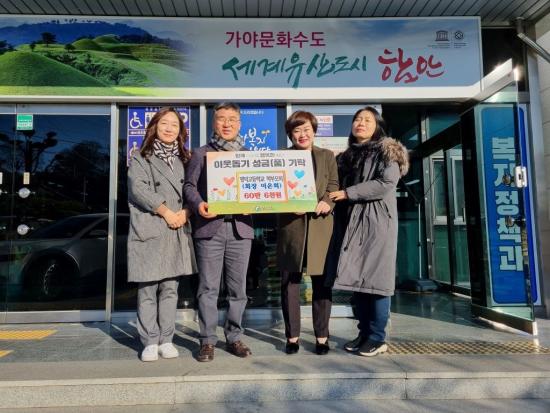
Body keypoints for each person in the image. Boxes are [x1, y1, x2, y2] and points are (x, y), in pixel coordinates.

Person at [328, 106, 409, 357]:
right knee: (359, 282)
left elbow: (386, 183)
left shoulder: (387, 150)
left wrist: (348, 193)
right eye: (357, 119)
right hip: (352, 223)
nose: (360, 123)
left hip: (376, 224)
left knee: (377, 283)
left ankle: (377, 337)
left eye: (367, 120)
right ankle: (364, 333)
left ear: (377, 126)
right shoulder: (347, 156)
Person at [184, 102, 253, 362]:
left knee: (238, 289)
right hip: (209, 228)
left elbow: (258, 189)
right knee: (208, 288)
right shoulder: (201, 153)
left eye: (232, 119)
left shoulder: (249, 155)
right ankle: (207, 340)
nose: (226, 123)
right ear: (214, 123)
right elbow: (189, 186)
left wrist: (256, 203)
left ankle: (234, 337)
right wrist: (199, 204)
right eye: (221, 118)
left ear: (239, 123)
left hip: (240, 229)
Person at [127, 107, 197, 362]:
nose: (169, 128)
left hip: (177, 228)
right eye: (164, 123)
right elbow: (139, 189)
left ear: (181, 131)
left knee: (170, 289)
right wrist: (167, 212)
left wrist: (186, 212)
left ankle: (166, 339)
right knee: (147, 288)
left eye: (174, 125)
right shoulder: (140, 157)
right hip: (151, 227)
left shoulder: (185, 159)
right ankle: (149, 340)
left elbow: (194, 190)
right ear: (154, 126)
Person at [277, 111, 338, 355]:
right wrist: (288, 204)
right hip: (291, 227)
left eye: (306, 129)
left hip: (320, 225)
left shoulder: (326, 156)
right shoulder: (282, 156)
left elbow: (333, 185)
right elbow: (274, 188)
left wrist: (327, 202)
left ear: (314, 131)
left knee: (322, 283)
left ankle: (322, 337)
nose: (302, 134)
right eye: (297, 130)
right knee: (289, 283)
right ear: (290, 134)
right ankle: (292, 336)